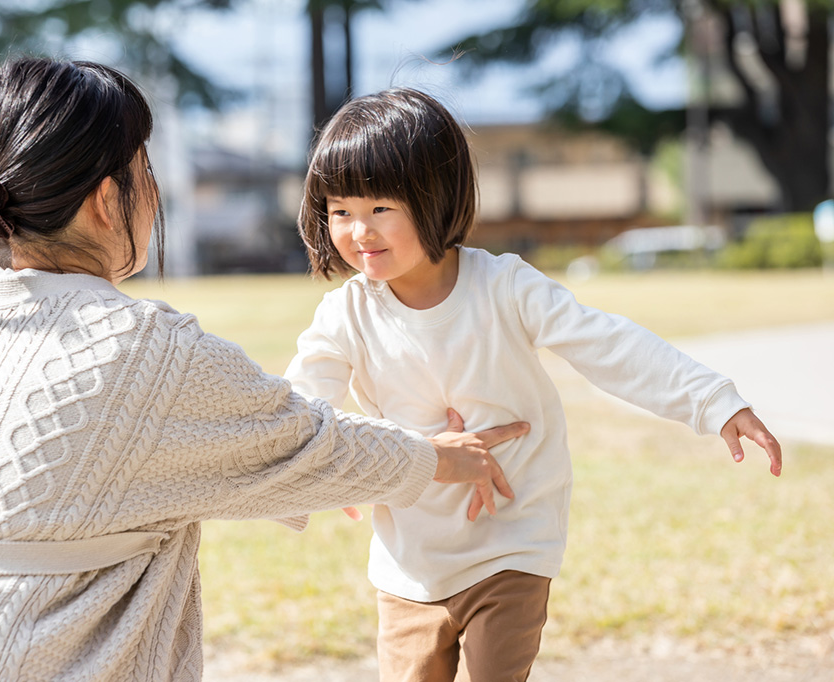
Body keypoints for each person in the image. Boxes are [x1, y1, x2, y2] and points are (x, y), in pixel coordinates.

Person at [0, 60, 529, 682]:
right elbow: (308, 445)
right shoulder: (141, 346)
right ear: (106, 198)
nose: (155, 191)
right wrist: (435, 457)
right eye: (144, 171)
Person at [284, 88, 783, 682]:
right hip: (409, 562)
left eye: (380, 209)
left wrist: (713, 401)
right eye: (340, 211)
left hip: (511, 543)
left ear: (435, 196)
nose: (358, 230)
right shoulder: (344, 316)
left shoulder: (504, 287)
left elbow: (608, 345)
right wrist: (342, 463)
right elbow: (300, 409)